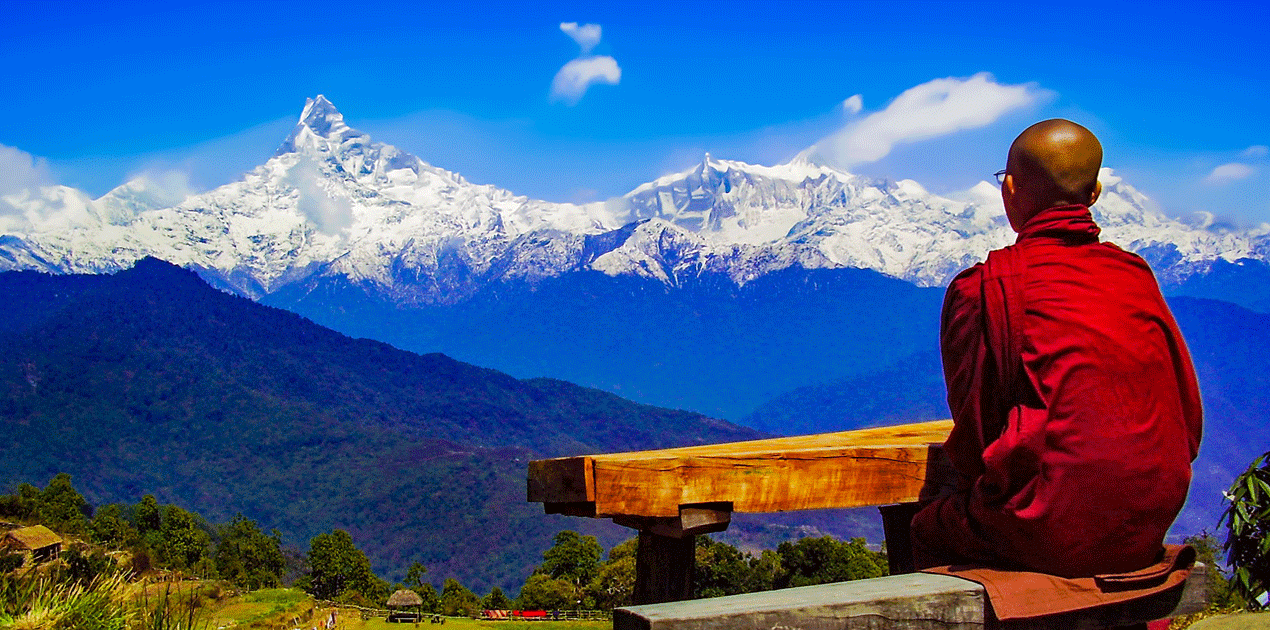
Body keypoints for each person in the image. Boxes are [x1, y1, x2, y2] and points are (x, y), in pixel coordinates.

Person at [910, 119, 1203, 578]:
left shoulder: (985, 288)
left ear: (1008, 189)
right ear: (1096, 192)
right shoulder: (1134, 276)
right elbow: (1188, 414)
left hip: (1047, 526)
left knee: (924, 526)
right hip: (1148, 519)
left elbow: (975, 434)